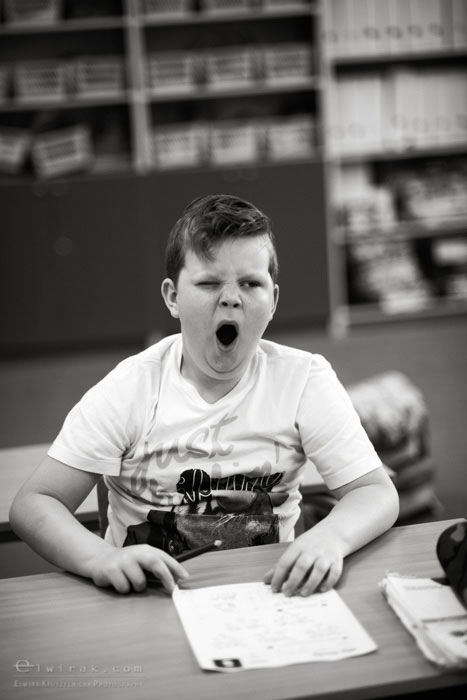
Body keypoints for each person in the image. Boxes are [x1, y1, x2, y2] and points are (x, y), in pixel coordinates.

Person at [10, 194, 399, 597]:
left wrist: (330, 537)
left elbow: (375, 492)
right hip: (149, 598)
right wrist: (99, 558)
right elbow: (35, 503)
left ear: (273, 301)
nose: (231, 297)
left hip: (269, 594)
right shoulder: (131, 388)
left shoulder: (303, 380)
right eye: (209, 283)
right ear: (173, 298)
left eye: (251, 283)